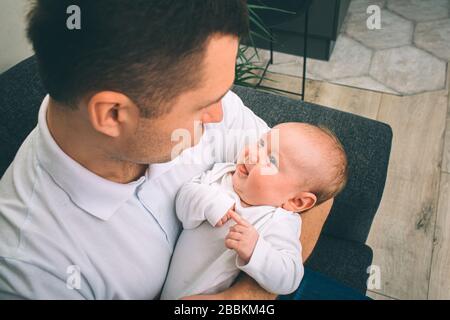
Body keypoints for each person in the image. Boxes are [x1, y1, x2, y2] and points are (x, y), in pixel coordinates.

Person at [0, 0, 333, 299]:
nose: (220, 115)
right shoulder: (36, 272)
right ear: (113, 115)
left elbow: (316, 191)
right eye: (206, 104)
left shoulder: (199, 96)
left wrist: (246, 297)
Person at [161, 123, 348, 300]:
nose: (253, 154)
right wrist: (209, 201)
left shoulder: (278, 221)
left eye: (271, 160)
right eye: (260, 143)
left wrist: (256, 250)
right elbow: (183, 204)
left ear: (296, 201)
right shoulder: (223, 175)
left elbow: (290, 279)